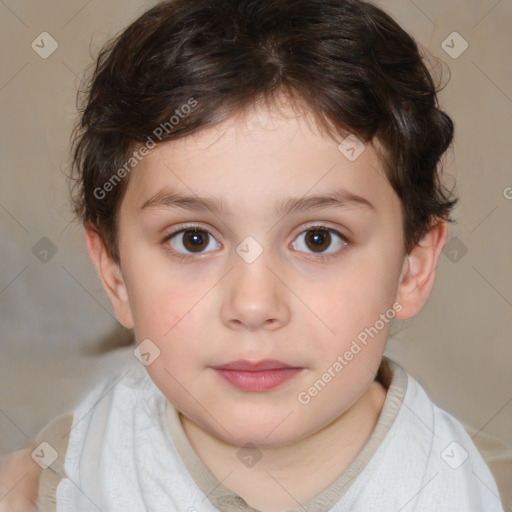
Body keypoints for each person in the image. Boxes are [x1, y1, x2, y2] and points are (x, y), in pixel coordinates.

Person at [0, 0, 507, 510]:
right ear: (115, 274)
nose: (253, 305)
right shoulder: (37, 492)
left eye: (318, 239)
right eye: (194, 239)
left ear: (412, 269)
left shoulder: (485, 492)